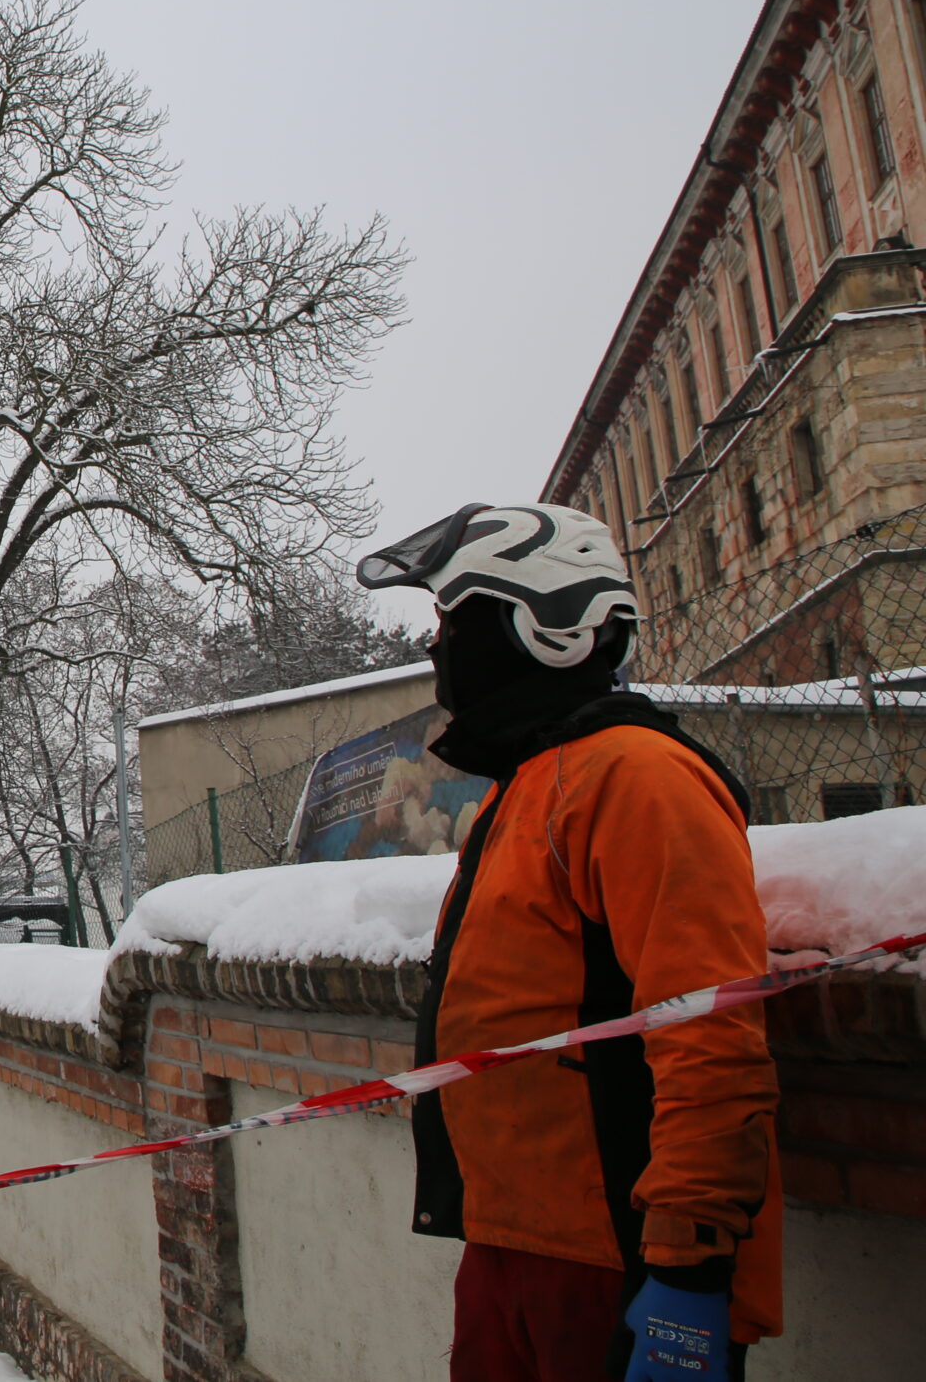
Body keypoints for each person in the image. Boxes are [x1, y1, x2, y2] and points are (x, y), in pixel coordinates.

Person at [356, 504, 781, 1382]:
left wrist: (687, 1266)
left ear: (540, 626)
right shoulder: (528, 785)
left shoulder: (637, 776)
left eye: (454, 619)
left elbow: (710, 1031)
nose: (437, 646)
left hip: (615, 1258)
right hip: (511, 1245)